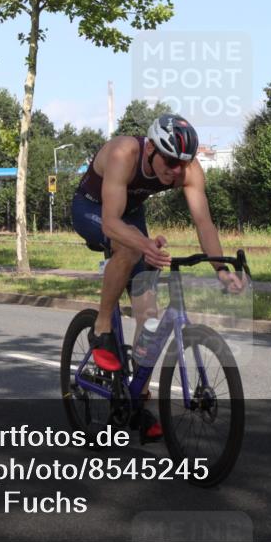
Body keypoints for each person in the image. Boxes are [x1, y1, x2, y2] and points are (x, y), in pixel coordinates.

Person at [70, 113, 246, 441]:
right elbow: (110, 224)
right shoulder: (125, 153)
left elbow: (203, 223)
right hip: (92, 209)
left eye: (183, 163)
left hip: (131, 214)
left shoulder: (187, 169)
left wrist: (221, 270)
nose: (176, 171)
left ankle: (135, 394)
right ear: (151, 148)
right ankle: (102, 326)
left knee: (148, 315)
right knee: (131, 249)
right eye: (169, 161)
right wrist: (144, 245)